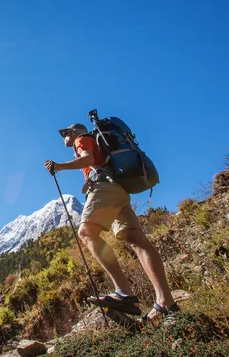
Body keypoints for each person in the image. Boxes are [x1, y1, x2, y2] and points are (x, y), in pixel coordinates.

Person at [44, 123, 179, 324]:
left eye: (65, 133)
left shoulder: (82, 140)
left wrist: (59, 166)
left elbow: (87, 160)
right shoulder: (98, 143)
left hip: (103, 187)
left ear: (74, 133)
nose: (64, 137)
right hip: (119, 191)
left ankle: (124, 292)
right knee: (137, 240)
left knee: (86, 232)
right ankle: (166, 301)